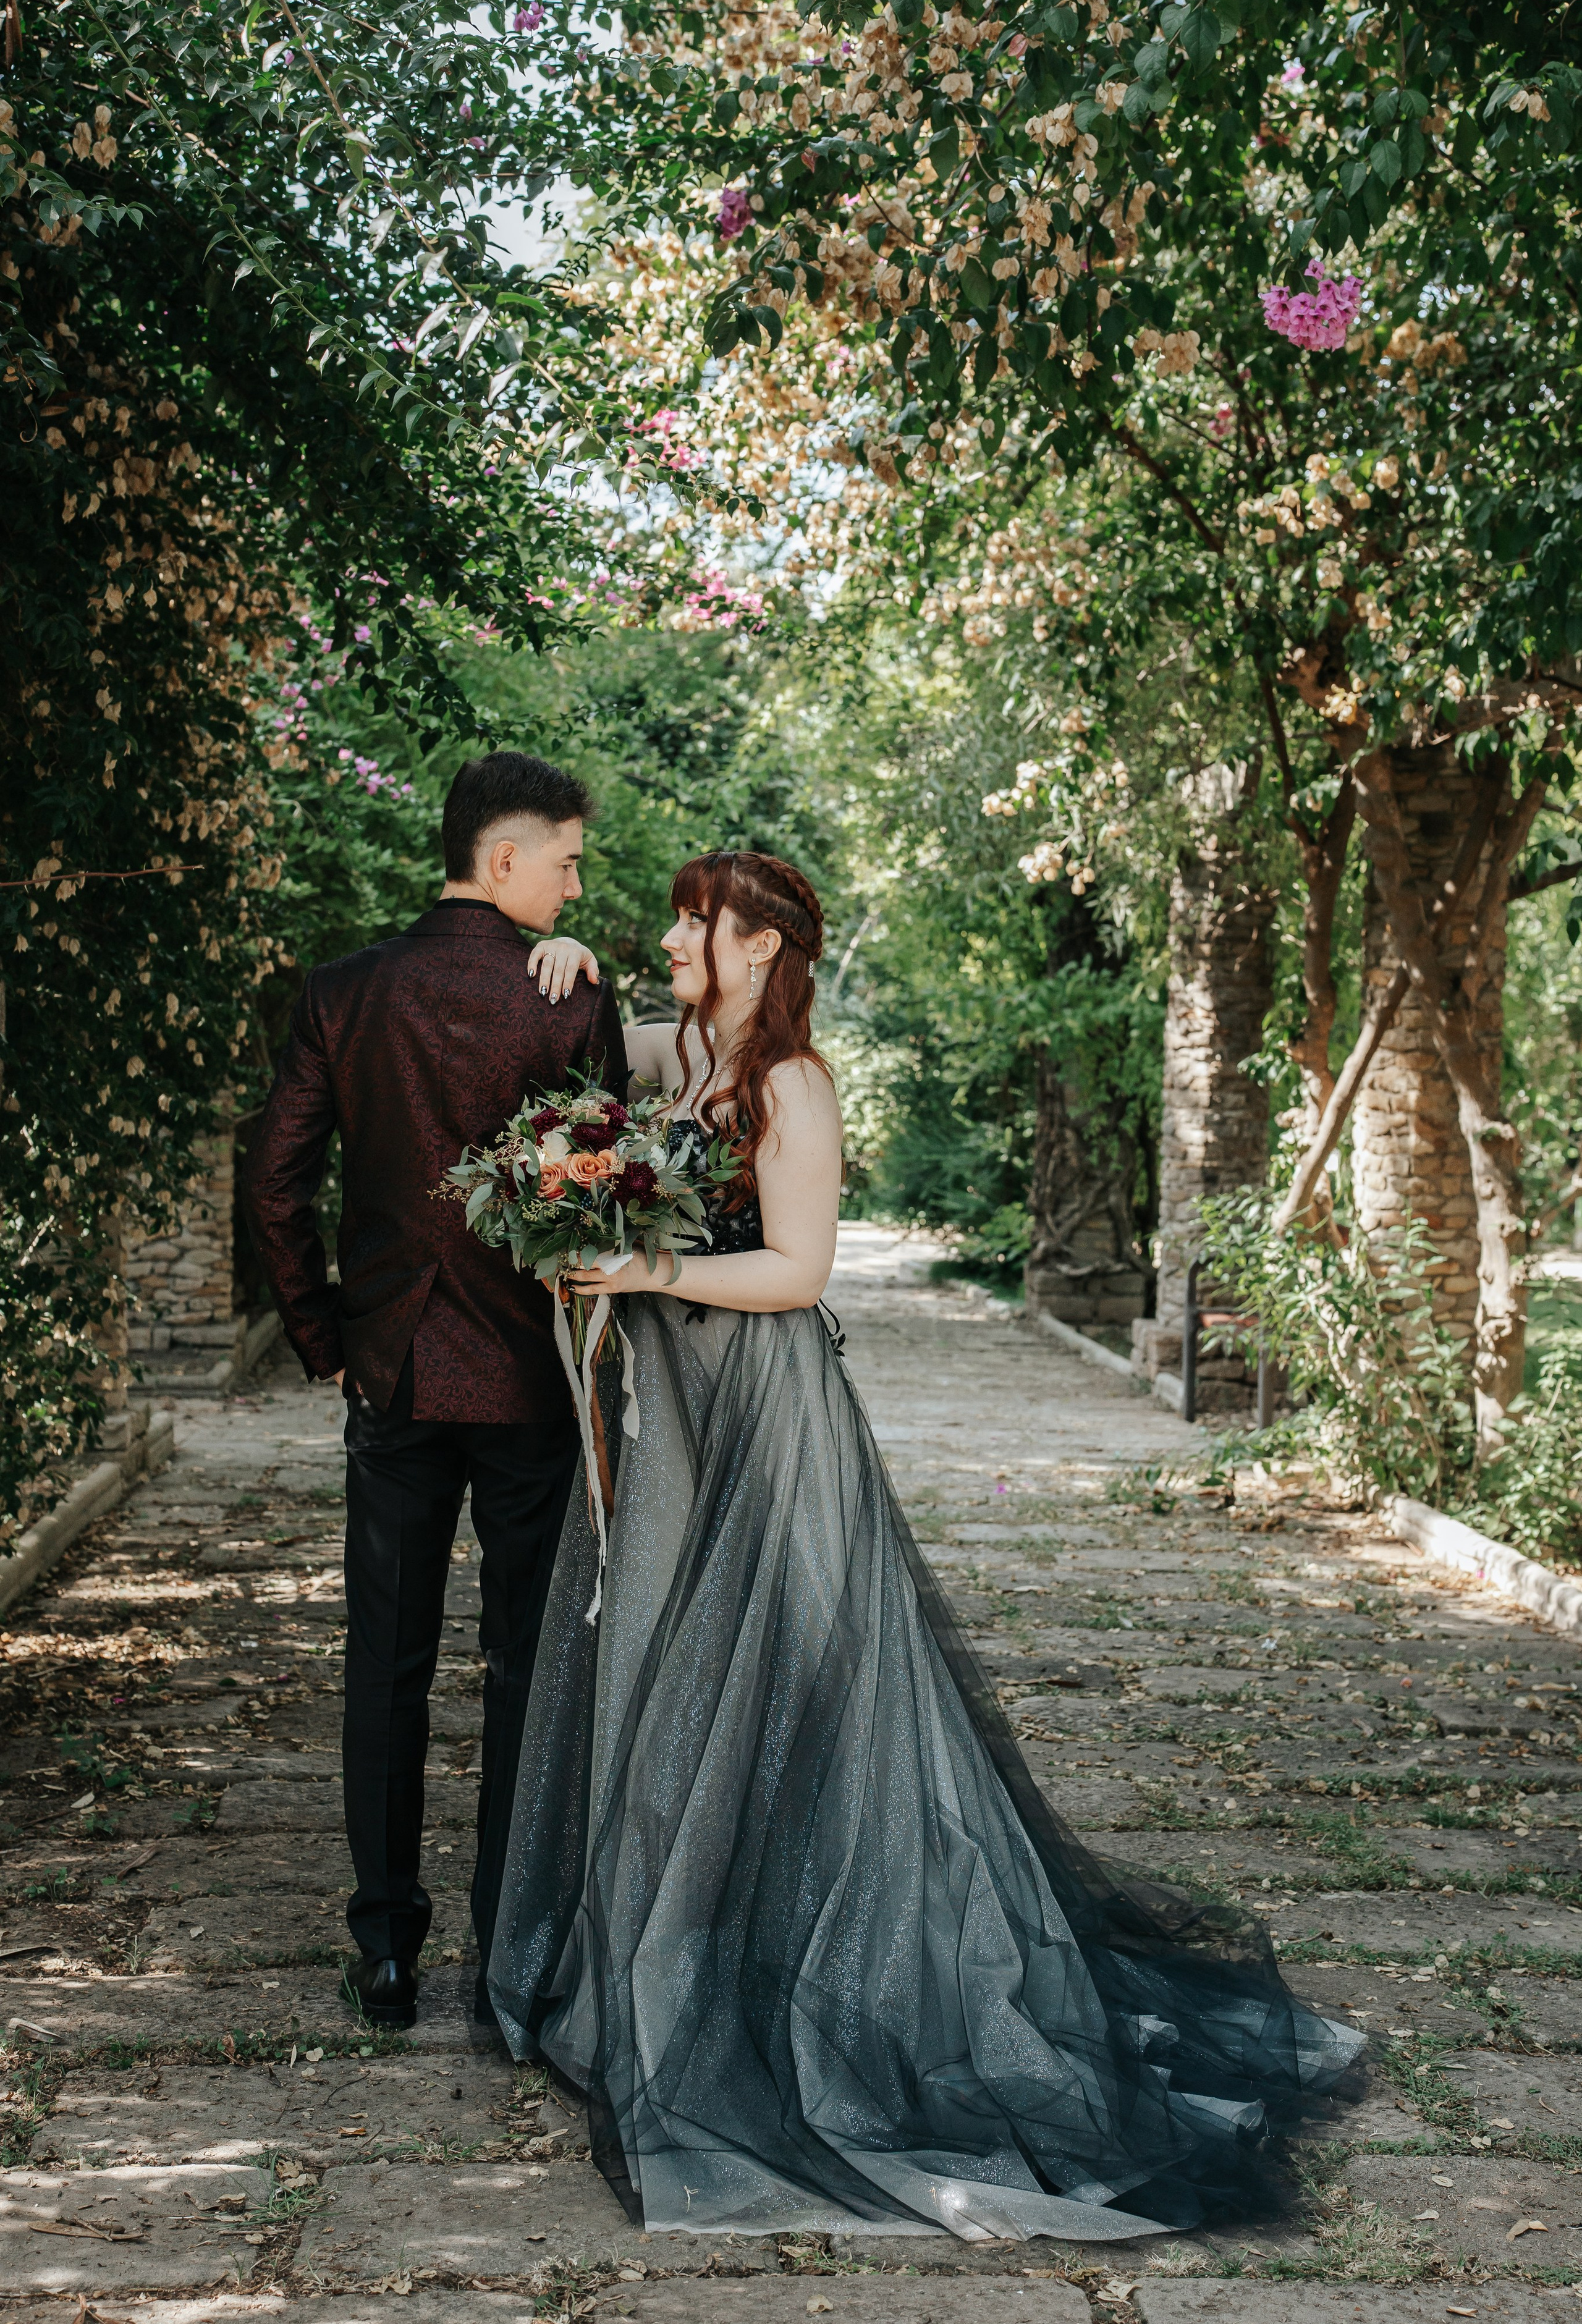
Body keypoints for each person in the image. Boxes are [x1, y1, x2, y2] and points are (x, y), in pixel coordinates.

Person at [482, 848, 1364, 2246]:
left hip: (764, 1420)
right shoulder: (689, 1056)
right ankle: (664, 1970)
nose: (667, 937)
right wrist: (565, 960)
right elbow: (593, 1046)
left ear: (759, 944)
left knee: (782, 1687)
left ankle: (803, 1985)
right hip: (675, 1423)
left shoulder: (790, 1085)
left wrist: (647, 1268)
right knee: (665, 1678)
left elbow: (797, 1271)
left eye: (690, 922)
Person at [240, 751, 628, 2030]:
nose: (576, 885)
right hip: (524, 1379)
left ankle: (388, 1953)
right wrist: (585, 994)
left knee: (386, 1664)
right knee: (523, 1668)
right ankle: (510, 1957)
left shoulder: (346, 993)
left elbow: (275, 1184)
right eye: (565, 862)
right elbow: (605, 1179)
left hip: (394, 1376)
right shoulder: (567, 1002)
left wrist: (325, 1336)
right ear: (502, 859)